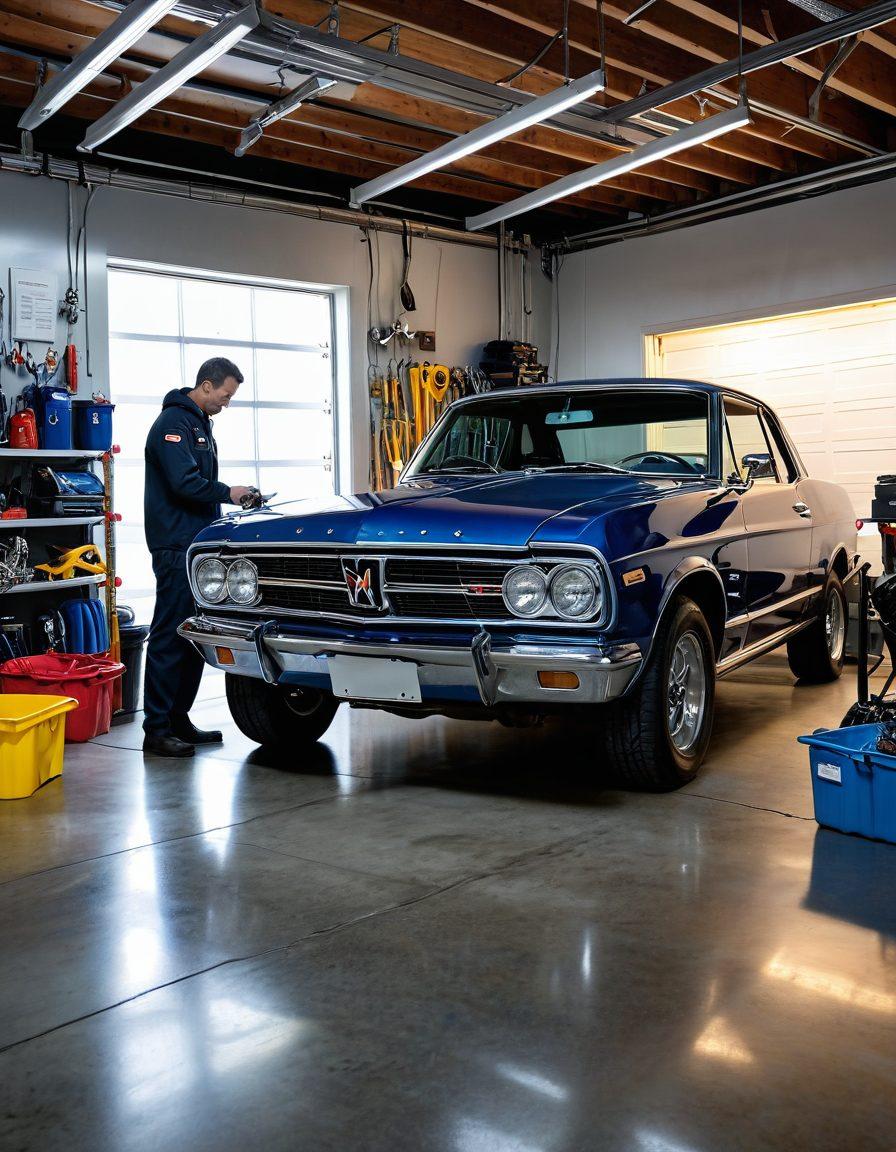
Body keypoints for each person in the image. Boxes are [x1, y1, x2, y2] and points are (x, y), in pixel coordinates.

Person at [142, 357, 254, 757]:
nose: (227, 403)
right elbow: (184, 482)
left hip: (196, 547)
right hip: (175, 546)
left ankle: (178, 719)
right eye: (225, 395)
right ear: (206, 386)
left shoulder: (198, 423)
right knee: (170, 634)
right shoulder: (173, 424)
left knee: (193, 635)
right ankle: (156, 728)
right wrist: (230, 493)